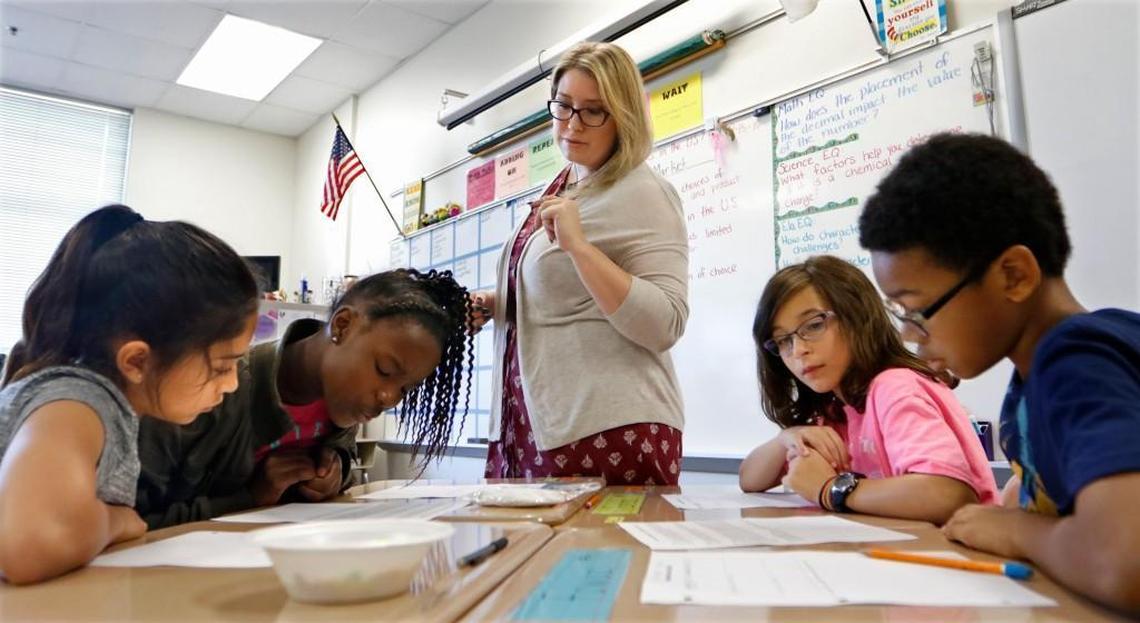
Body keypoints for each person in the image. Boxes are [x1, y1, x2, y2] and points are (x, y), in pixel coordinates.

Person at [860, 132, 1140, 612]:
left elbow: (1124, 562)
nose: (909, 336)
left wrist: (1015, 529)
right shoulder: (1038, 376)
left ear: (1013, 275)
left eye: (917, 310)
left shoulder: (1076, 360)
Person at [0, 205, 259, 584]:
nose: (232, 384)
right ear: (137, 361)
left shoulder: (94, 400)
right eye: (221, 367)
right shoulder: (77, 404)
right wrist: (114, 519)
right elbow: (30, 542)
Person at [469, 41, 689, 485]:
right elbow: (567, 300)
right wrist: (493, 303)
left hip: (608, 430)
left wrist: (581, 249)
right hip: (544, 425)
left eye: (593, 111)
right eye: (564, 106)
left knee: (594, 555)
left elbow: (666, 322)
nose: (571, 125)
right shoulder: (567, 184)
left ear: (623, 116)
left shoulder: (643, 191)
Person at [136, 268, 475, 528]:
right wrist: (250, 497)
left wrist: (333, 474)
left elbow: (339, 458)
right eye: (385, 370)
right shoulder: (215, 387)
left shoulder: (343, 400)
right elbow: (132, 520)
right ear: (342, 326)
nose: (388, 398)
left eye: (405, 389)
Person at [740, 256, 996, 523]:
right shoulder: (834, 409)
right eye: (783, 340)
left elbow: (948, 496)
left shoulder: (894, 386)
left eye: (814, 325)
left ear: (857, 316)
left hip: (961, 557)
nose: (798, 350)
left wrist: (829, 489)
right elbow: (749, 479)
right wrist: (787, 437)